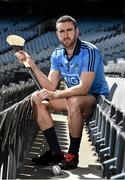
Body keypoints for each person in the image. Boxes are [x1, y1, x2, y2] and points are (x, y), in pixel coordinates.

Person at [15, 15, 109, 170]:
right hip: (72, 97)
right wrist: (31, 64)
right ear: (57, 34)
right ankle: (55, 152)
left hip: (95, 99)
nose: (65, 35)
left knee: (74, 100)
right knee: (36, 97)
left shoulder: (90, 51)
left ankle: (72, 155)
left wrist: (56, 94)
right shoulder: (57, 54)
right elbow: (50, 86)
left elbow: (84, 88)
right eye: (61, 31)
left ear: (77, 31)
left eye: (69, 30)